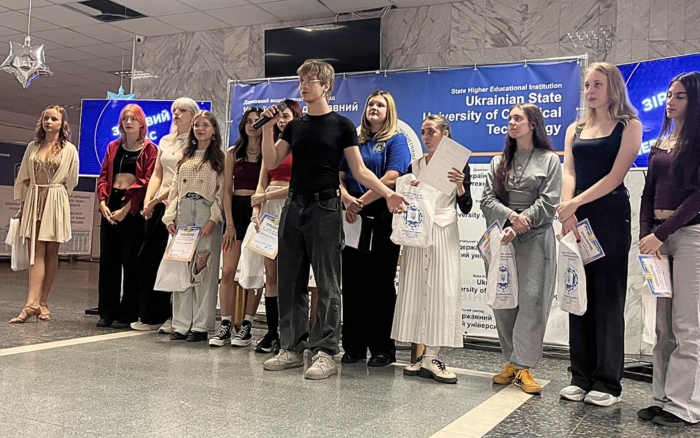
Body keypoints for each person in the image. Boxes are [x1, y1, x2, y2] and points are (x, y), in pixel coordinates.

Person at [259, 60, 408, 380]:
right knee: (290, 280)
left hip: (325, 207)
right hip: (293, 206)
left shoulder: (341, 125)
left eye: (311, 81)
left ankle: (325, 351)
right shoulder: (294, 127)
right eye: (301, 80)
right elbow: (271, 161)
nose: (304, 86)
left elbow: (359, 170)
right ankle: (292, 347)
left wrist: (388, 194)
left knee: (327, 283)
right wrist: (268, 128)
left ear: (326, 86)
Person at [557, 62, 642, 406]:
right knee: (578, 293)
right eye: (587, 85)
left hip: (609, 216)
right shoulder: (575, 128)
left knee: (607, 297)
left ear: (613, 88)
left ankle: (607, 382)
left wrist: (575, 203)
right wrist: (567, 210)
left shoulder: (629, 126)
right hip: (576, 216)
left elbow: (615, 176)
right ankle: (580, 376)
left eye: (598, 85)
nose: (590, 91)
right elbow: (569, 171)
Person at [480, 104, 562, 394]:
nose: (511, 123)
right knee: (503, 300)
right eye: (509, 119)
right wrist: (511, 218)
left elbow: (549, 201)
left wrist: (521, 222)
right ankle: (512, 362)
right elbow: (486, 200)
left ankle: (525, 365)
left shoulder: (549, 160)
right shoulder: (499, 161)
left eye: (518, 118)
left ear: (533, 124)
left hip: (535, 238)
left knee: (532, 301)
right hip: (502, 238)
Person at [637, 72, 700, 427]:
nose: (670, 102)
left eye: (680, 96)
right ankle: (661, 398)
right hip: (659, 239)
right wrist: (647, 235)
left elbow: (697, 198)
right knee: (663, 328)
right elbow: (648, 193)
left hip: (690, 236)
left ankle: (685, 405)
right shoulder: (661, 142)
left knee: (687, 326)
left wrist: (661, 235)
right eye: (669, 95)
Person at [392, 114, 472, 384]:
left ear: (445, 133)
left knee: (441, 290)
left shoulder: (458, 164)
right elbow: (406, 198)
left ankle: (434, 356)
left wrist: (460, 185)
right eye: (423, 132)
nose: (425, 137)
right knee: (416, 289)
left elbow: (467, 206)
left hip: (443, 231)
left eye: (431, 131)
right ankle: (419, 356)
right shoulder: (415, 165)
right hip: (418, 233)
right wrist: (410, 188)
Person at [339, 91, 410, 366]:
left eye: (380, 105)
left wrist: (361, 202)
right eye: (370, 104)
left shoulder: (396, 140)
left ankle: (382, 348)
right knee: (353, 282)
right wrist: (348, 199)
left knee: (380, 283)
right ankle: (353, 346)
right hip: (352, 216)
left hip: (381, 213)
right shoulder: (355, 141)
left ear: (389, 111)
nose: (374, 108)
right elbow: (340, 176)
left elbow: (391, 177)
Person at [229, 99, 303, 354]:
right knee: (270, 276)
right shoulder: (270, 146)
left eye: (286, 116)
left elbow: (298, 184)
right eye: (278, 117)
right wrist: (256, 212)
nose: (281, 121)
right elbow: (262, 182)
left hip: (291, 208)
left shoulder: (301, 146)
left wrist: (267, 196)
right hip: (268, 212)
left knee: (289, 275)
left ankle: (291, 332)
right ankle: (272, 332)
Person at [131, 97, 200, 333]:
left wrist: (157, 199)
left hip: (179, 204)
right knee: (148, 259)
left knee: (175, 261)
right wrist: (149, 199)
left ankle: (174, 316)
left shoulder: (195, 144)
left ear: (193, 115)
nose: (176, 113)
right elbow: (157, 173)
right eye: (174, 110)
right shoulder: (165, 140)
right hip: (159, 205)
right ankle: (151, 314)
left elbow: (182, 179)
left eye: (182, 110)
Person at [10, 105, 79, 323]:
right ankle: (31, 304)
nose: (49, 122)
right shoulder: (33, 146)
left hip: (55, 199)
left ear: (62, 123)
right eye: (46, 118)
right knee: (35, 250)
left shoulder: (69, 149)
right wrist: (23, 206)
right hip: (33, 198)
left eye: (54, 119)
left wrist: (59, 199)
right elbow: (23, 177)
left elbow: (72, 180)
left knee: (51, 252)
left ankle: (43, 302)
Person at [163, 111, 225, 342]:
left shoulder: (219, 159)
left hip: (205, 211)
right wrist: (170, 217)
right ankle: (180, 324)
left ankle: (201, 325)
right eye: (197, 125)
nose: (200, 129)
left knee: (203, 268)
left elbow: (221, 192)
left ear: (214, 129)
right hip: (183, 211)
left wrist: (213, 218)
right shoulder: (185, 156)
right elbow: (174, 189)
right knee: (182, 267)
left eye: (205, 125)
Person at [96, 104, 157, 328]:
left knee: (130, 261)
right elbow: (104, 176)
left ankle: (129, 311)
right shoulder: (113, 146)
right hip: (111, 202)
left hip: (133, 207)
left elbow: (146, 181)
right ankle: (107, 310)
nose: (128, 122)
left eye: (133, 118)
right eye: (125, 118)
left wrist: (126, 209)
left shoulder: (150, 149)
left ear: (141, 123)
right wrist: (103, 202)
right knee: (108, 261)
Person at [209, 107, 263, 348]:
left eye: (257, 121)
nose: (252, 125)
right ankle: (226, 323)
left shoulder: (269, 151)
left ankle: (248, 324)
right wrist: (229, 223)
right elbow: (227, 191)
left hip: (259, 211)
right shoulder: (233, 152)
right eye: (249, 121)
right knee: (228, 271)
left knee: (253, 271)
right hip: (236, 211)